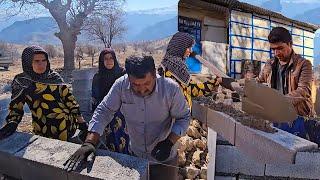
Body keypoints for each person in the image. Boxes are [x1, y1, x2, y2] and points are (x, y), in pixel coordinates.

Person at [64, 56, 191, 180]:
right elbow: (104, 111)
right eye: (135, 84)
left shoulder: (170, 89)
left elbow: (183, 117)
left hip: (165, 158)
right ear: (128, 77)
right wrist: (90, 142)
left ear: (154, 74)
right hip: (136, 155)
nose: (141, 89)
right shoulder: (121, 85)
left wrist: (169, 142)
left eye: (146, 83)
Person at [0, 45, 88, 141]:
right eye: (36, 61)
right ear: (28, 63)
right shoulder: (22, 81)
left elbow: (69, 99)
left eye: (44, 60)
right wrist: (12, 122)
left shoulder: (54, 77)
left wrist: (81, 121)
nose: (41, 65)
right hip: (42, 127)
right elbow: (16, 105)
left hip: (67, 125)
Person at [257, 27, 318, 140]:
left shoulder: (304, 64)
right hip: (277, 117)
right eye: (273, 49)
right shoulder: (269, 64)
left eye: (280, 48)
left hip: (299, 120)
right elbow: (258, 82)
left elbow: (303, 91)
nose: (277, 53)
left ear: (290, 44)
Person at [158, 32, 235, 108]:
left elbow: (188, 89)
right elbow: (193, 90)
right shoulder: (176, 67)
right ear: (180, 47)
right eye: (189, 47)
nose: (191, 51)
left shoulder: (166, 64)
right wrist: (217, 81)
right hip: (177, 117)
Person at [91, 48, 129, 154]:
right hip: (107, 113)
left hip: (124, 113)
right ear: (101, 61)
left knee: (126, 139)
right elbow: (95, 98)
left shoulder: (123, 74)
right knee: (111, 140)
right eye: (106, 59)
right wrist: (96, 118)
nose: (109, 61)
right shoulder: (98, 77)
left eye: (111, 58)